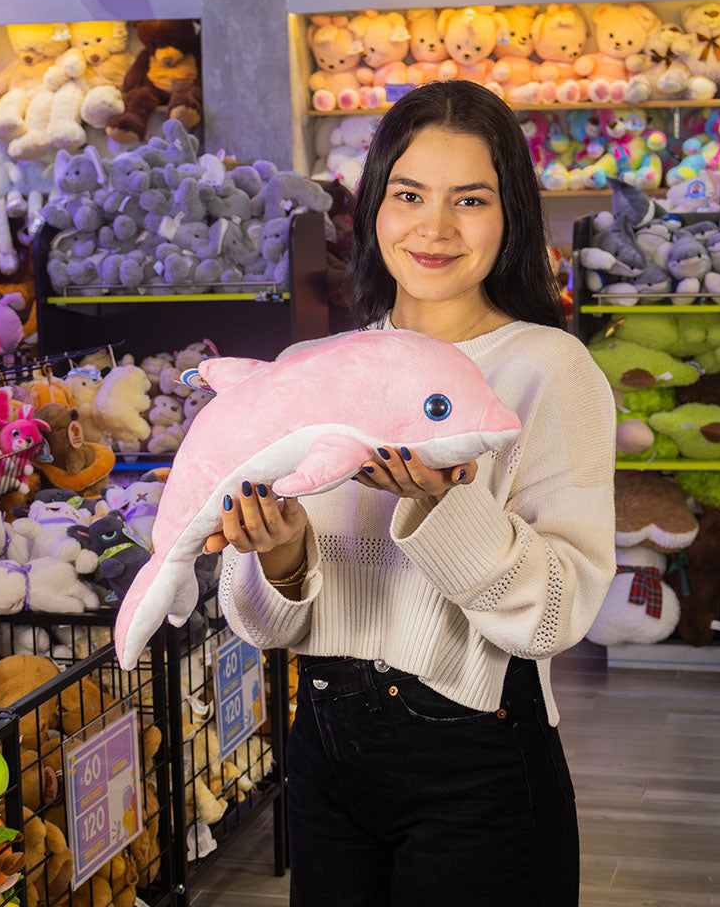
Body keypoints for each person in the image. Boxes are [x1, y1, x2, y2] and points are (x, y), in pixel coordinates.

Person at [204, 80, 616, 906]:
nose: (435, 228)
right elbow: (261, 624)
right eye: (409, 195)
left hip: (478, 767)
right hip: (323, 755)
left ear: (511, 217)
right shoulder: (317, 368)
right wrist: (280, 556)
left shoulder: (548, 369)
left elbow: (556, 616)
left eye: (470, 199)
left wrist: (441, 509)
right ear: (373, 209)